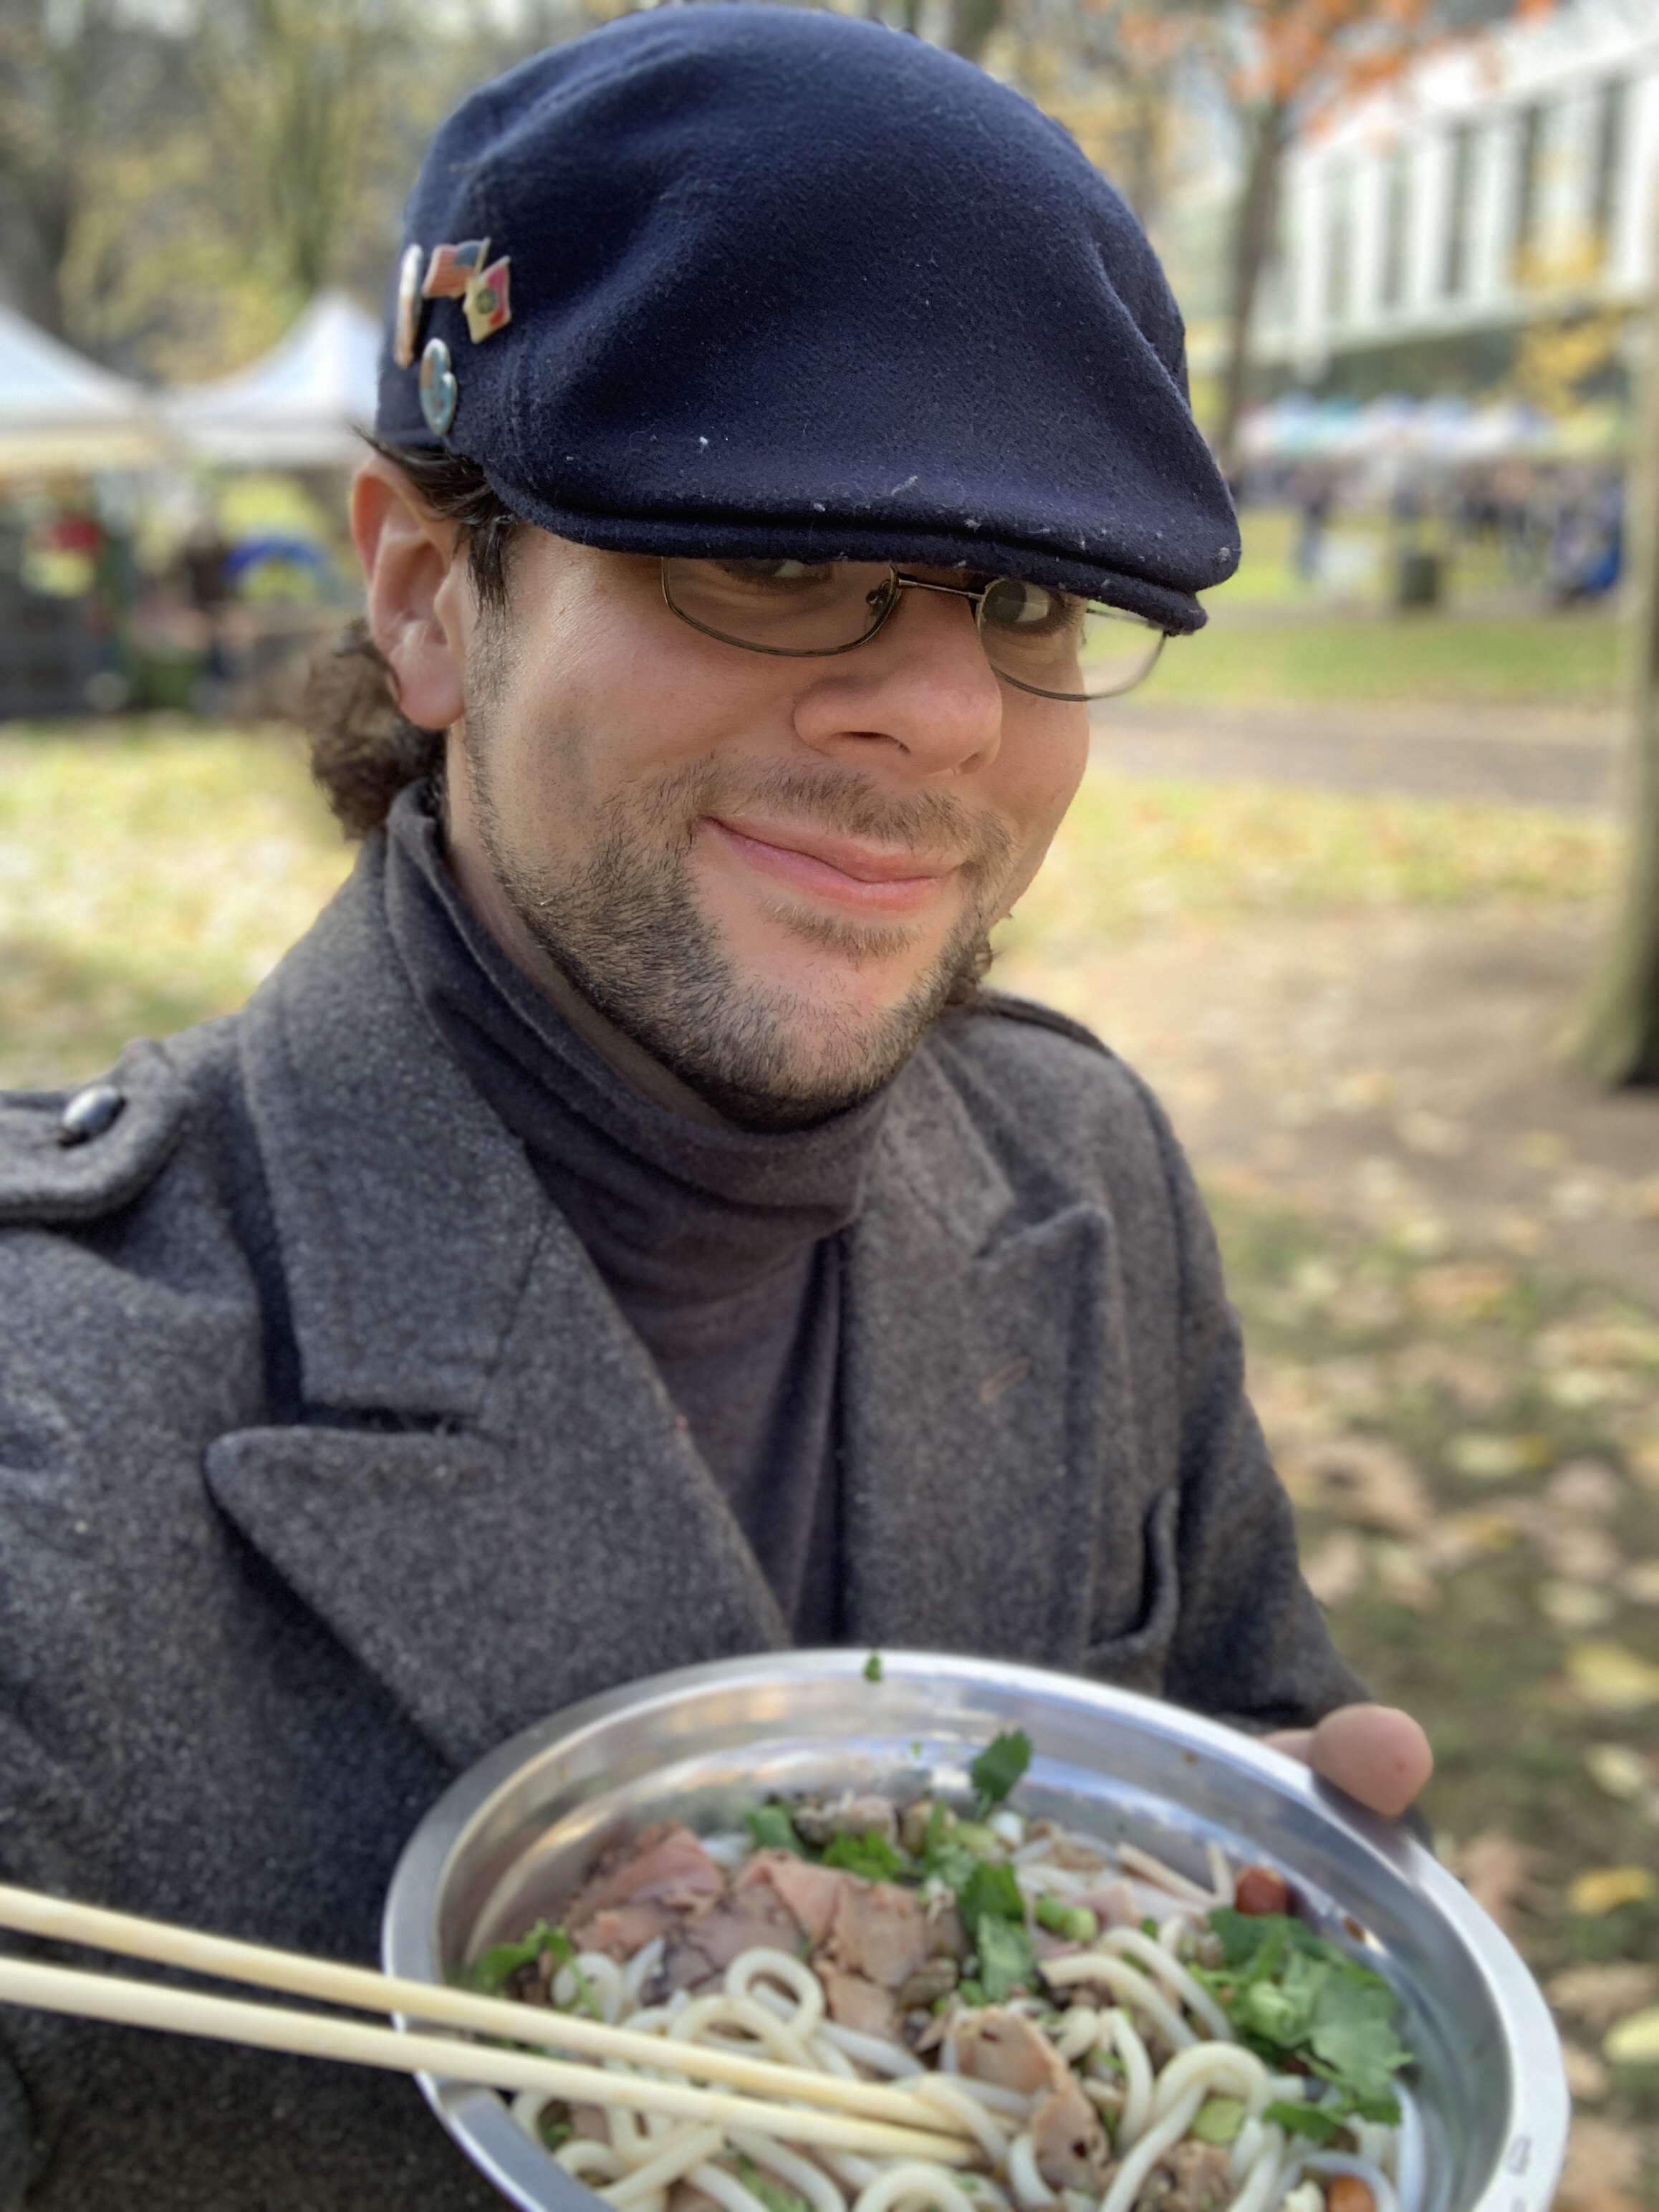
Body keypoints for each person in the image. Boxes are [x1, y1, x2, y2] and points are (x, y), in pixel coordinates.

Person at [0, 11, 1429, 2207]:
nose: (946, 710)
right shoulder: (45, 1433)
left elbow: (1241, 1723)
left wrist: (1242, 1915)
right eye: (770, 557)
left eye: (1033, 599)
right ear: (423, 598)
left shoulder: (1087, 1180)